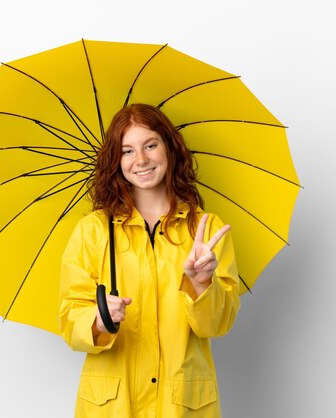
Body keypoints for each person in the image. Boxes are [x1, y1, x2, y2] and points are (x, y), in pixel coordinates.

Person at [59, 103, 241, 418]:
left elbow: (217, 325)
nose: (140, 159)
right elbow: (70, 319)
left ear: (169, 148)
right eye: (127, 151)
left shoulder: (206, 229)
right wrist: (99, 320)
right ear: (116, 162)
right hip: (113, 406)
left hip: (181, 404)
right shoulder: (93, 231)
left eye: (150, 145)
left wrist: (201, 284)